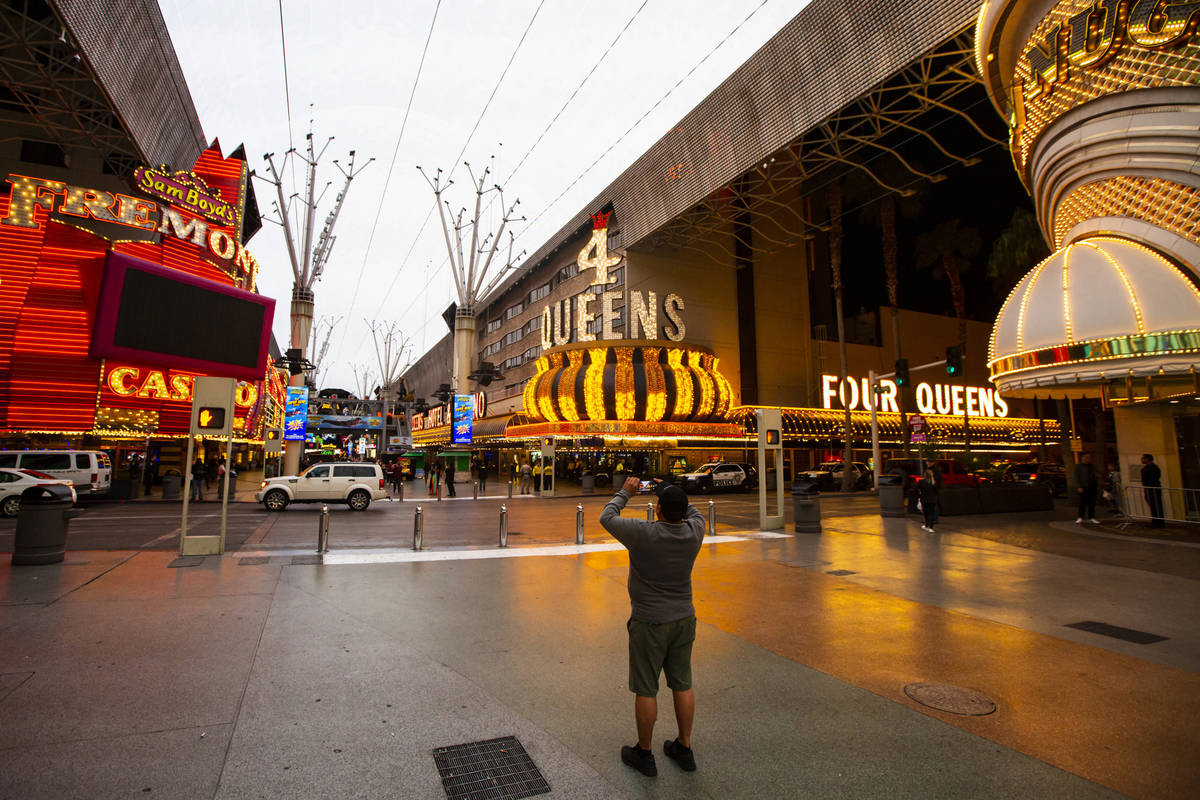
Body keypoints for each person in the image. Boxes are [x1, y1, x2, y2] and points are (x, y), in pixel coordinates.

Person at [600, 475, 704, 778]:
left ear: (657, 510)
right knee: (682, 683)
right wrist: (673, 491)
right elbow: (692, 511)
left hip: (649, 620)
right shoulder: (694, 531)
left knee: (647, 688)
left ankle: (644, 753)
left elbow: (607, 516)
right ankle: (684, 748)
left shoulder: (643, 533)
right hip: (684, 618)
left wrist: (626, 492)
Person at [1074, 452, 1099, 524]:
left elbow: (1097, 473)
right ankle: (1080, 517)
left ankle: (1092, 517)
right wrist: (1079, 486)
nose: (1087, 459)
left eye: (1089, 457)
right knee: (1082, 503)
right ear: (1082, 458)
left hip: (1092, 486)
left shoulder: (1093, 466)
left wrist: (1096, 477)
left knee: (1092, 503)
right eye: (1086, 457)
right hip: (1083, 486)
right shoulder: (1078, 467)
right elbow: (1076, 477)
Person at [1141, 453, 1164, 528]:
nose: (1142, 460)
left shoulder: (1153, 468)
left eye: (1143, 458)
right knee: (1153, 506)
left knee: (1156, 506)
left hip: (1153, 489)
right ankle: (1155, 522)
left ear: (1147, 459)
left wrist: (1149, 486)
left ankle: (1158, 523)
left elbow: (1152, 479)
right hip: (1149, 489)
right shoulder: (1147, 468)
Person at [915, 467, 939, 533]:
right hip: (932, 499)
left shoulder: (921, 481)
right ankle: (931, 527)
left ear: (925, 475)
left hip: (924, 499)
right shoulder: (933, 482)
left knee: (925, 512)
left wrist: (919, 495)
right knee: (931, 512)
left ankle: (926, 524)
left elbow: (916, 488)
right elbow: (936, 491)